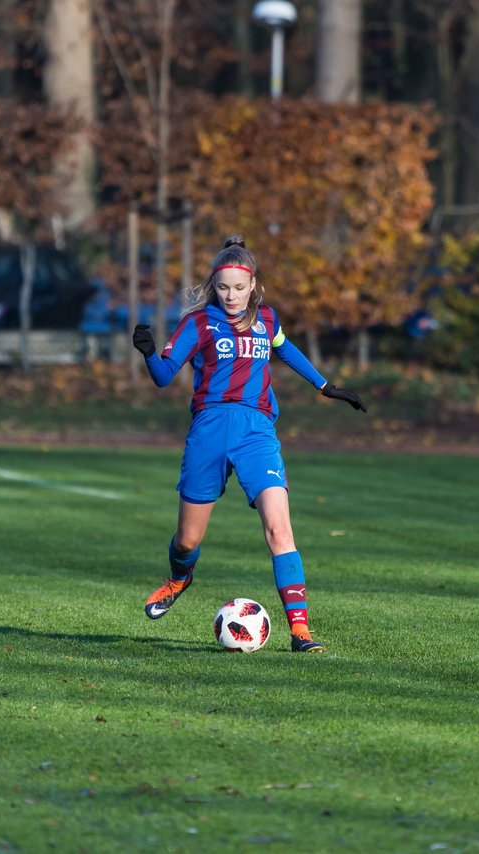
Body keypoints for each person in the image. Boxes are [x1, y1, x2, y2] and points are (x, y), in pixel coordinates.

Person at [131, 234, 367, 653]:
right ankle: (180, 578)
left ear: (254, 284)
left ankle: (301, 633)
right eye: (223, 287)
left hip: (258, 431)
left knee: (280, 529)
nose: (231, 295)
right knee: (187, 540)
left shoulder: (268, 320)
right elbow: (165, 376)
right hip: (209, 431)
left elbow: (286, 348)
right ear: (214, 284)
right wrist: (149, 354)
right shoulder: (199, 323)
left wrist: (325, 386)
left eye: (239, 288)